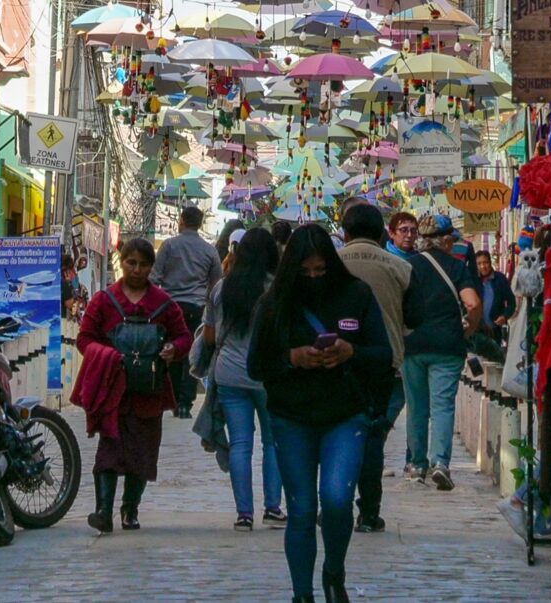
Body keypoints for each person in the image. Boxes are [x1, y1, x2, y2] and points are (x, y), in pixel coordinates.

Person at [252, 223, 395, 603]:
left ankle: (334, 570)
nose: (314, 278)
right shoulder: (273, 304)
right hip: (291, 415)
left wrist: (351, 352)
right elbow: (256, 364)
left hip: (345, 414)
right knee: (301, 509)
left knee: (336, 498)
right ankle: (302, 593)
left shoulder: (357, 295)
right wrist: (293, 357)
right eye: (305, 273)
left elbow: (384, 355)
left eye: (320, 270)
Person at [77, 236, 191, 532]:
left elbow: (183, 337)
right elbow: (84, 339)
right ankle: (103, 511)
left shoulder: (164, 304)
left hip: (149, 392)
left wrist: (172, 350)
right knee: (109, 451)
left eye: (143, 264)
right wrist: (108, 356)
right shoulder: (104, 301)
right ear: (122, 263)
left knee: (142, 451)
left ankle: (130, 509)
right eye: (131, 263)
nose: (136, 269)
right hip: (113, 390)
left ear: (151, 267)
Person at [333, 202, 410, 532]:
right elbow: (416, 316)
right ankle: (369, 512)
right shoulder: (400, 267)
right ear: (382, 234)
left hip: (336, 362)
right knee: (373, 438)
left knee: (335, 436)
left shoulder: (330, 264)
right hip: (385, 363)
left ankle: (336, 505)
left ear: (345, 233)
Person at [202, 227, 285, 529]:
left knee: (240, 443)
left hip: (230, 374)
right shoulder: (277, 289)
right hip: (268, 375)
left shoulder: (221, 289)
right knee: (273, 443)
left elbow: (210, 337)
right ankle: (273, 508)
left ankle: (244, 513)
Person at [398, 214, 480, 490]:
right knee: (443, 405)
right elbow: (472, 304)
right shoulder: (457, 268)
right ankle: (441, 464)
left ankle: (417, 464)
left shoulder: (407, 266)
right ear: (445, 241)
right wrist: (468, 331)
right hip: (447, 345)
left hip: (414, 344)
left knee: (417, 407)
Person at [155, 205, 223, 417]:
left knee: (172, 350)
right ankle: (186, 402)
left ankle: (174, 399)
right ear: (200, 224)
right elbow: (216, 283)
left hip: (170, 307)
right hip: (197, 308)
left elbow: (154, 277)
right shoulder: (209, 250)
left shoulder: (168, 246)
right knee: (193, 354)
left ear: (181, 220)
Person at [473, 248, 516, 341]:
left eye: (485, 262)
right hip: (477, 331)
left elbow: (512, 302)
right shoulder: (473, 280)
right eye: (479, 264)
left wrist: (504, 316)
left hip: (495, 331)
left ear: (490, 262)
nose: (483, 266)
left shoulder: (500, 279)